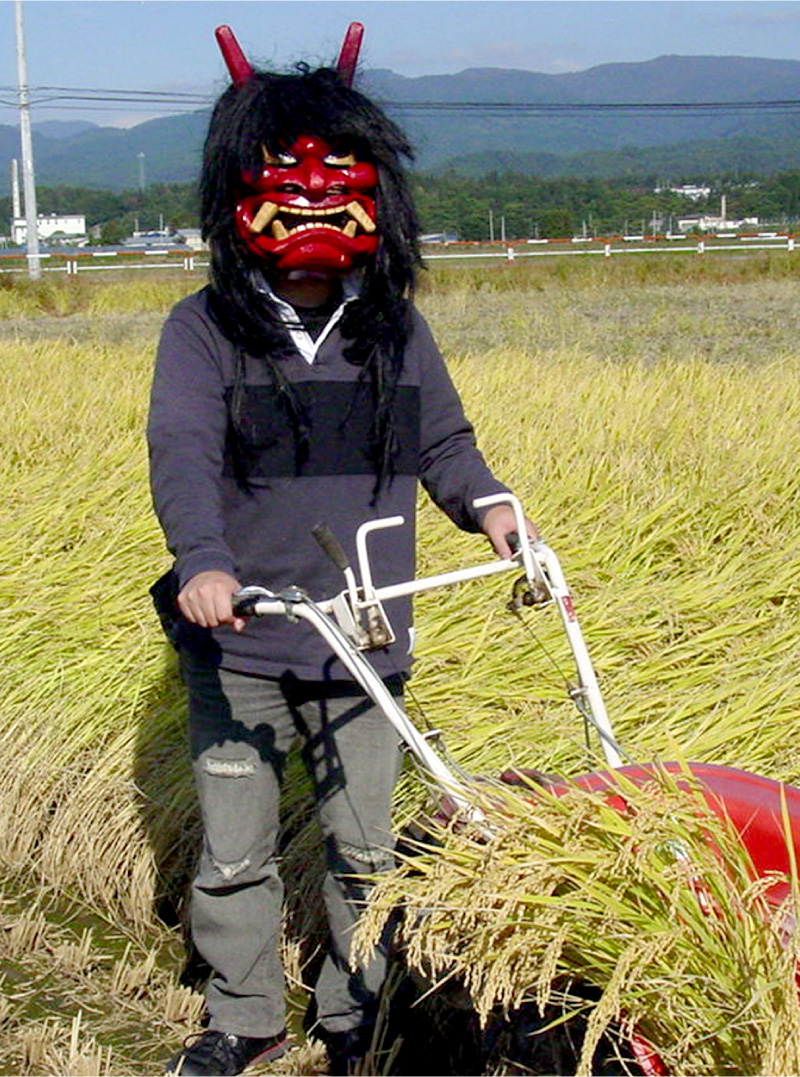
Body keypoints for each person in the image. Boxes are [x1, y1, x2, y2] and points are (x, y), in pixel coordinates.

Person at [147, 22, 537, 1077]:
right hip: (245, 641)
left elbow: (446, 447)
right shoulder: (204, 331)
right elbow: (181, 454)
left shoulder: (393, 329)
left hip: (364, 633)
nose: (314, 197)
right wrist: (204, 563)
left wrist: (494, 510)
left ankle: (351, 1013)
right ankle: (243, 1016)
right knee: (234, 851)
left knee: (365, 848)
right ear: (242, 191)